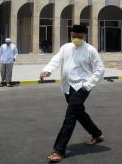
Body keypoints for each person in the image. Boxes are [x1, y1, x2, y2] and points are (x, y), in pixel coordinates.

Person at [40, 24, 105, 162]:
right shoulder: (66, 47)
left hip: (81, 87)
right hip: (67, 86)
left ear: (85, 36)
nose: (75, 39)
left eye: (79, 36)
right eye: (73, 36)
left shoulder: (90, 50)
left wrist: (87, 85)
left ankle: (59, 150)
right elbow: (56, 59)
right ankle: (96, 133)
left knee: (70, 117)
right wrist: (48, 69)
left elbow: (100, 70)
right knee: (79, 113)